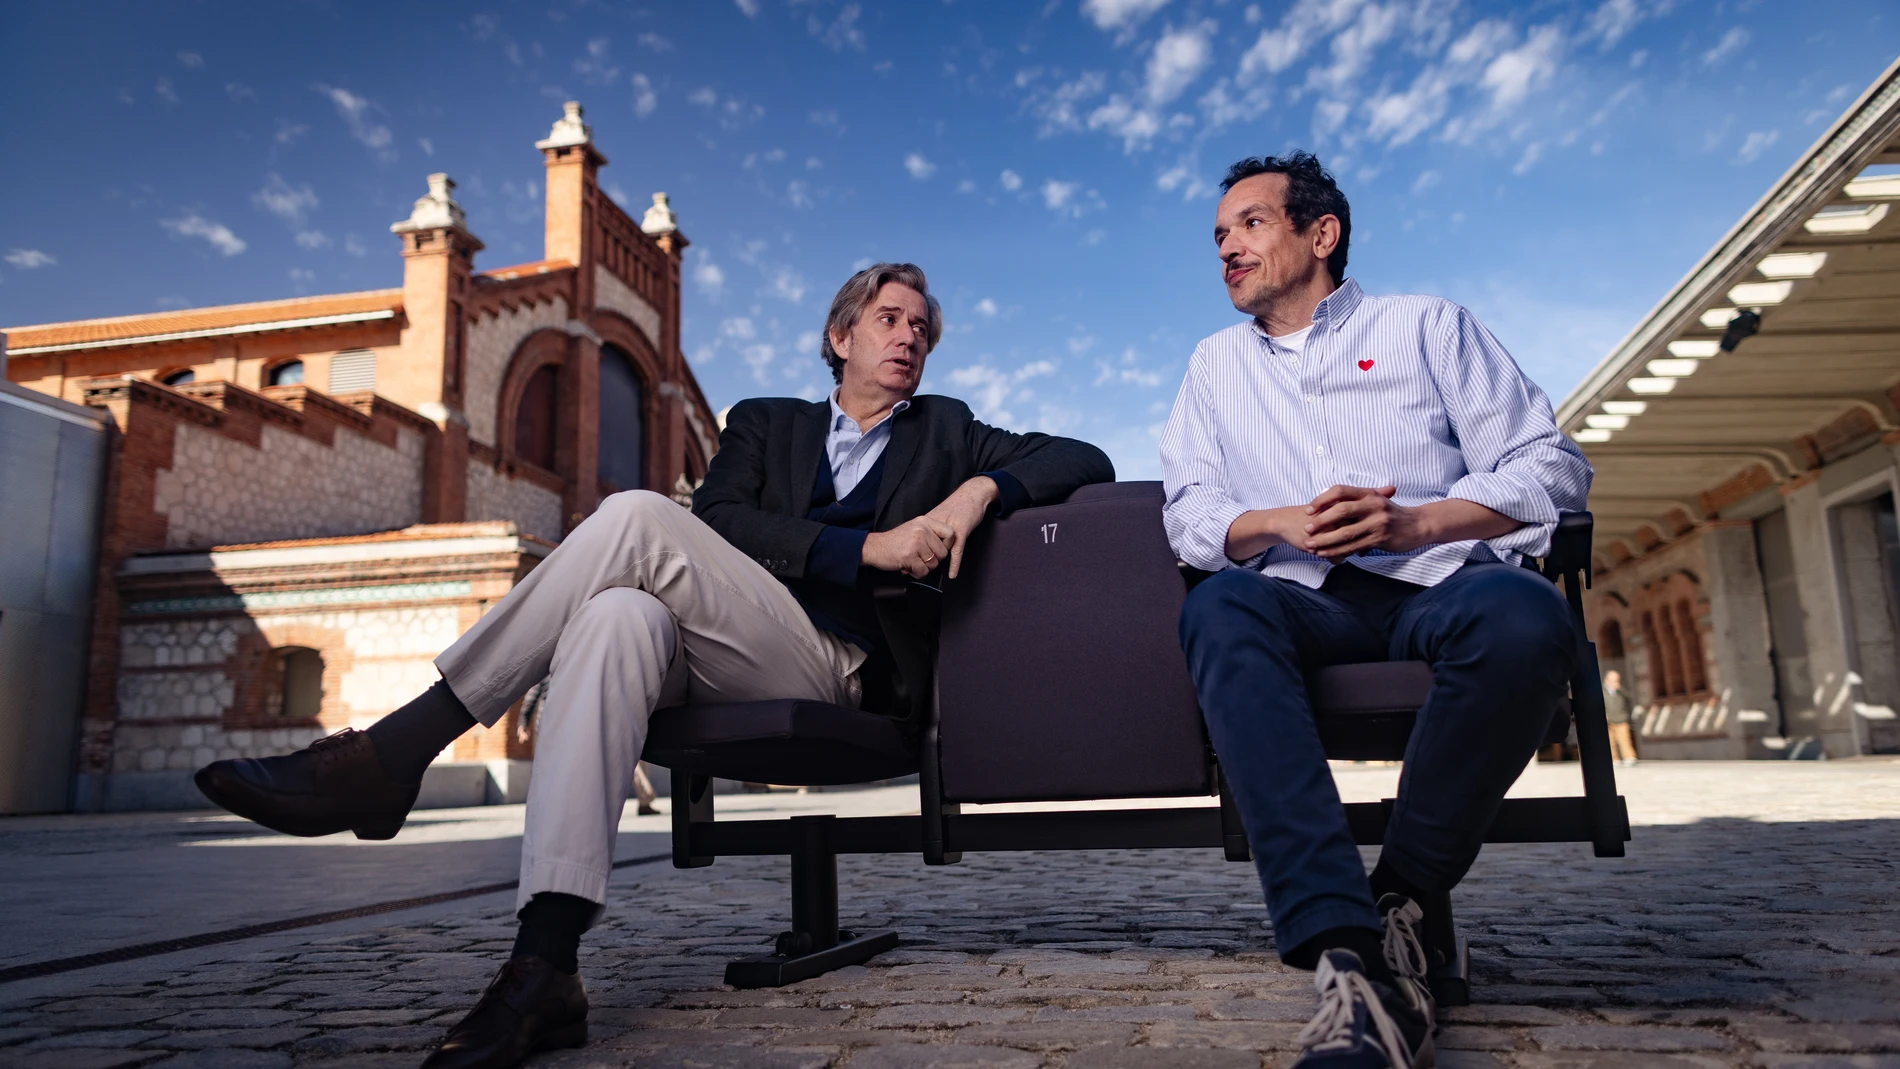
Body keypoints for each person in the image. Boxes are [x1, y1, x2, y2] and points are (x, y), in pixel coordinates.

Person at [195, 262, 1113, 1069]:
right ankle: (546, 965)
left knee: (635, 517)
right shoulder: (765, 423)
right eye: (890, 318)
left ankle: (396, 752)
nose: (910, 335)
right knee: (619, 616)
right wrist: (871, 548)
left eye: (922, 327)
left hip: (839, 665)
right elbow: (718, 527)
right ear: (839, 336)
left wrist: (981, 488)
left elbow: (1086, 456)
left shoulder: (946, 431)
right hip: (725, 639)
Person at [1160, 153, 1591, 1069]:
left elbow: (1549, 466)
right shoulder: (1211, 366)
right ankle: (1344, 947)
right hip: (1299, 597)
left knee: (1524, 617)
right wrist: (1275, 520)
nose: (1228, 247)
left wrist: (1414, 518)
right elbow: (1188, 513)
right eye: (1219, 236)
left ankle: (1403, 893)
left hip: (1438, 578)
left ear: (1322, 234)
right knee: (1221, 610)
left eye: (1249, 225)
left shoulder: (1427, 325)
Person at [1603, 669, 1639, 766]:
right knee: (1610, 741)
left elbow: (1630, 698)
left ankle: (1629, 757)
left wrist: (1620, 689)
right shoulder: (1602, 691)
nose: (1615, 682)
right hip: (1608, 720)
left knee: (1624, 739)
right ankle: (1614, 759)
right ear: (1607, 680)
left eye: (1617, 679)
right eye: (1613, 680)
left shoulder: (1620, 691)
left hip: (1621, 718)